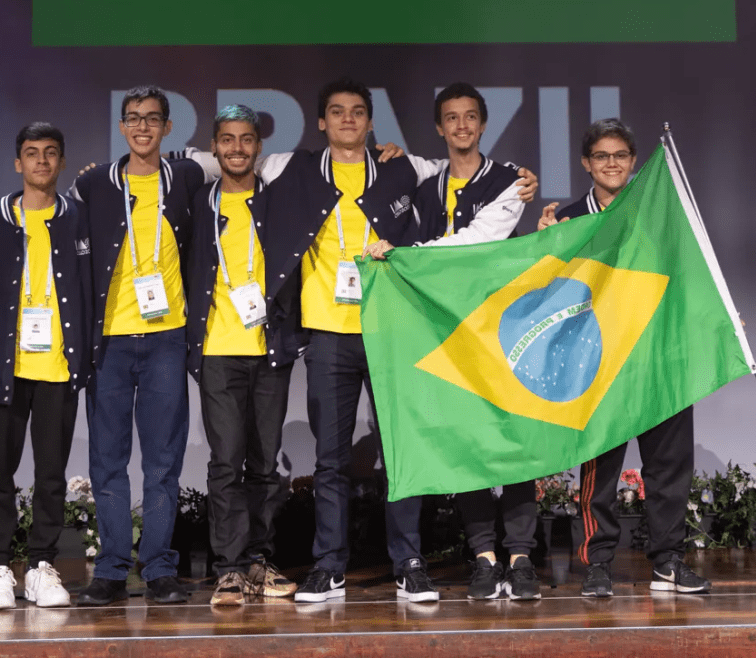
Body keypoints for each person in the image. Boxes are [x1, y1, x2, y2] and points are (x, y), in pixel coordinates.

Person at [255, 78, 538, 604]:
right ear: (321, 122)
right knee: (331, 459)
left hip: (393, 332)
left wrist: (519, 180)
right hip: (328, 337)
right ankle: (329, 566)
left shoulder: (401, 168)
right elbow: (222, 153)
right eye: (336, 112)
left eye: (358, 112)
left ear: (369, 122)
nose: (347, 120)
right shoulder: (291, 168)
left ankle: (409, 562)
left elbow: (461, 172)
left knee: (402, 452)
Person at [0, 86, 207, 605]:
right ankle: (114, 569)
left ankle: (160, 568)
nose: (142, 127)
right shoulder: (95, 183)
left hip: (167, 337)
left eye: (153, 119)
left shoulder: (187, 175)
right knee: (107, 464)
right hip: (109, 345)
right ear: (121, 126)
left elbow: (245, 158)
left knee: (163, 463)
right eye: (133, 118)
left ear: (167, 126)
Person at [364, 83, 539, 600]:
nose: (461, 126)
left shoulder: (510, 182)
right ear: (440, 128)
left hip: (499, 326)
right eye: (451, 119)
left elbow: (477, 241)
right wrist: (388, 251)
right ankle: (484, 555)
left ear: (483, 124)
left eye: (470, 118)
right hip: (446, 332)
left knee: (514, 439)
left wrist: (408, 254)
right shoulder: (427, 181)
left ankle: (522, 554)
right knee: (467, 441)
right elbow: (405, 168)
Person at [538, 118, 711, 597]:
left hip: (660, 357)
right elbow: (548, 298)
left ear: (634, 163)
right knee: (600, 472)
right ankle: (598, 564)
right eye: (601, 156)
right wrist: (547, 247)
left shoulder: (663, 214)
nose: (611, 164)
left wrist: (720, 314)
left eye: (620, 156)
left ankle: (668, 562)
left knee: (670, 467)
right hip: (601, 364)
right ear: (585, 164)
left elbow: (693, 276)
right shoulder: (568, 220)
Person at [0, 122, 91, 610]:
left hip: (57, 366)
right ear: (18, 163)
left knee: (51, 474)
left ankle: (42, 568)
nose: (42, 162)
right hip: (3, 370)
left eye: (51, 153)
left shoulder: (79, 218)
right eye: (32, 154)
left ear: (62, 161)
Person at [186, 105, 303, 606]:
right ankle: (230, 569)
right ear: (215, 147)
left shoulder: (280, 203)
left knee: (265, 465)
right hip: (216, 351)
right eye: (228, 140)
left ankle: (259, 560)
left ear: (259, 147)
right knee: (225, 463)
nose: (237, 148)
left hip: (269, 350)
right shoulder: (195, 204)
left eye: (247, 139)